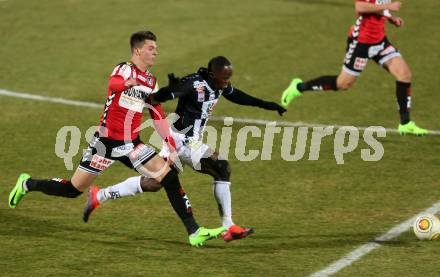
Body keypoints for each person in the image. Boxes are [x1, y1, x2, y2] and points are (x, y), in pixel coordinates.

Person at [8, 30, 225, 247]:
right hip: (105, 144)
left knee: (168, 177)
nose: (155, 52)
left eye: (156, 49)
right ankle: (27, 184)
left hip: (131, 144)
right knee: (72, 190)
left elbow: (156, 112)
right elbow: (113, 84)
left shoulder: (150, 81)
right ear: (137, 50)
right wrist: (126, 84)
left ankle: (194, 231)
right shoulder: (124, 69)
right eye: (151, 48)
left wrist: (168, 140)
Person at [83, 56, 286, 242]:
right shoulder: (193, 83)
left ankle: (99, 195)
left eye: (228, 79)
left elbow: (241, 97)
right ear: (213, 74)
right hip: (181, 139)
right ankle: (228, 226)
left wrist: (269, 105)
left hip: (185, 141)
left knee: (154, 183)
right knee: (221, 166)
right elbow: (157, 99)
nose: (227, 82)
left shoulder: (219, 85)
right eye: (224, 78)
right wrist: (167, 89)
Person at [281, 0, 428, 136]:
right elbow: (360, 7)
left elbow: (379, 5)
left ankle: (405, 123)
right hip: (361, 43)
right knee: (343, 84)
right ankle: (298, 87)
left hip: (379, 41)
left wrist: (391, 18)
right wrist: (388, 7)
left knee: (404, 74)